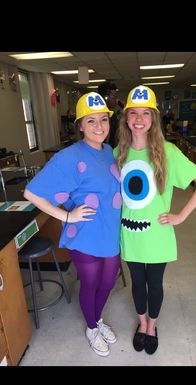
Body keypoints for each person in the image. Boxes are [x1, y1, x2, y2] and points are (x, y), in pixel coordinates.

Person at [114, 85, 196, 355]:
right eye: (133, 113)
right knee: (137, 283)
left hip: (158, 233)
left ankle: (151, 326)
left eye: (146, 113)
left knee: (154, 284)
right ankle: (141, 321)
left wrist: (181, 215)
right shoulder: (118, 153)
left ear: (154, 118)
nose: (139, 119)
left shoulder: (168, 152)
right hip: (130, 233)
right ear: (125, 118)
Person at [24, 92, 122, 357]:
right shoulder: (68, 156)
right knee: (90, 285)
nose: (99, 126)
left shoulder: (110, 152)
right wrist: (67, 216)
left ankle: (97, 319)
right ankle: (92, 328)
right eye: (91, 121)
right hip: (85, 236)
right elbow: (31, 193)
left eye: (104, 120)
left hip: (110, 235)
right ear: (80, 125)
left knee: (108, 283)